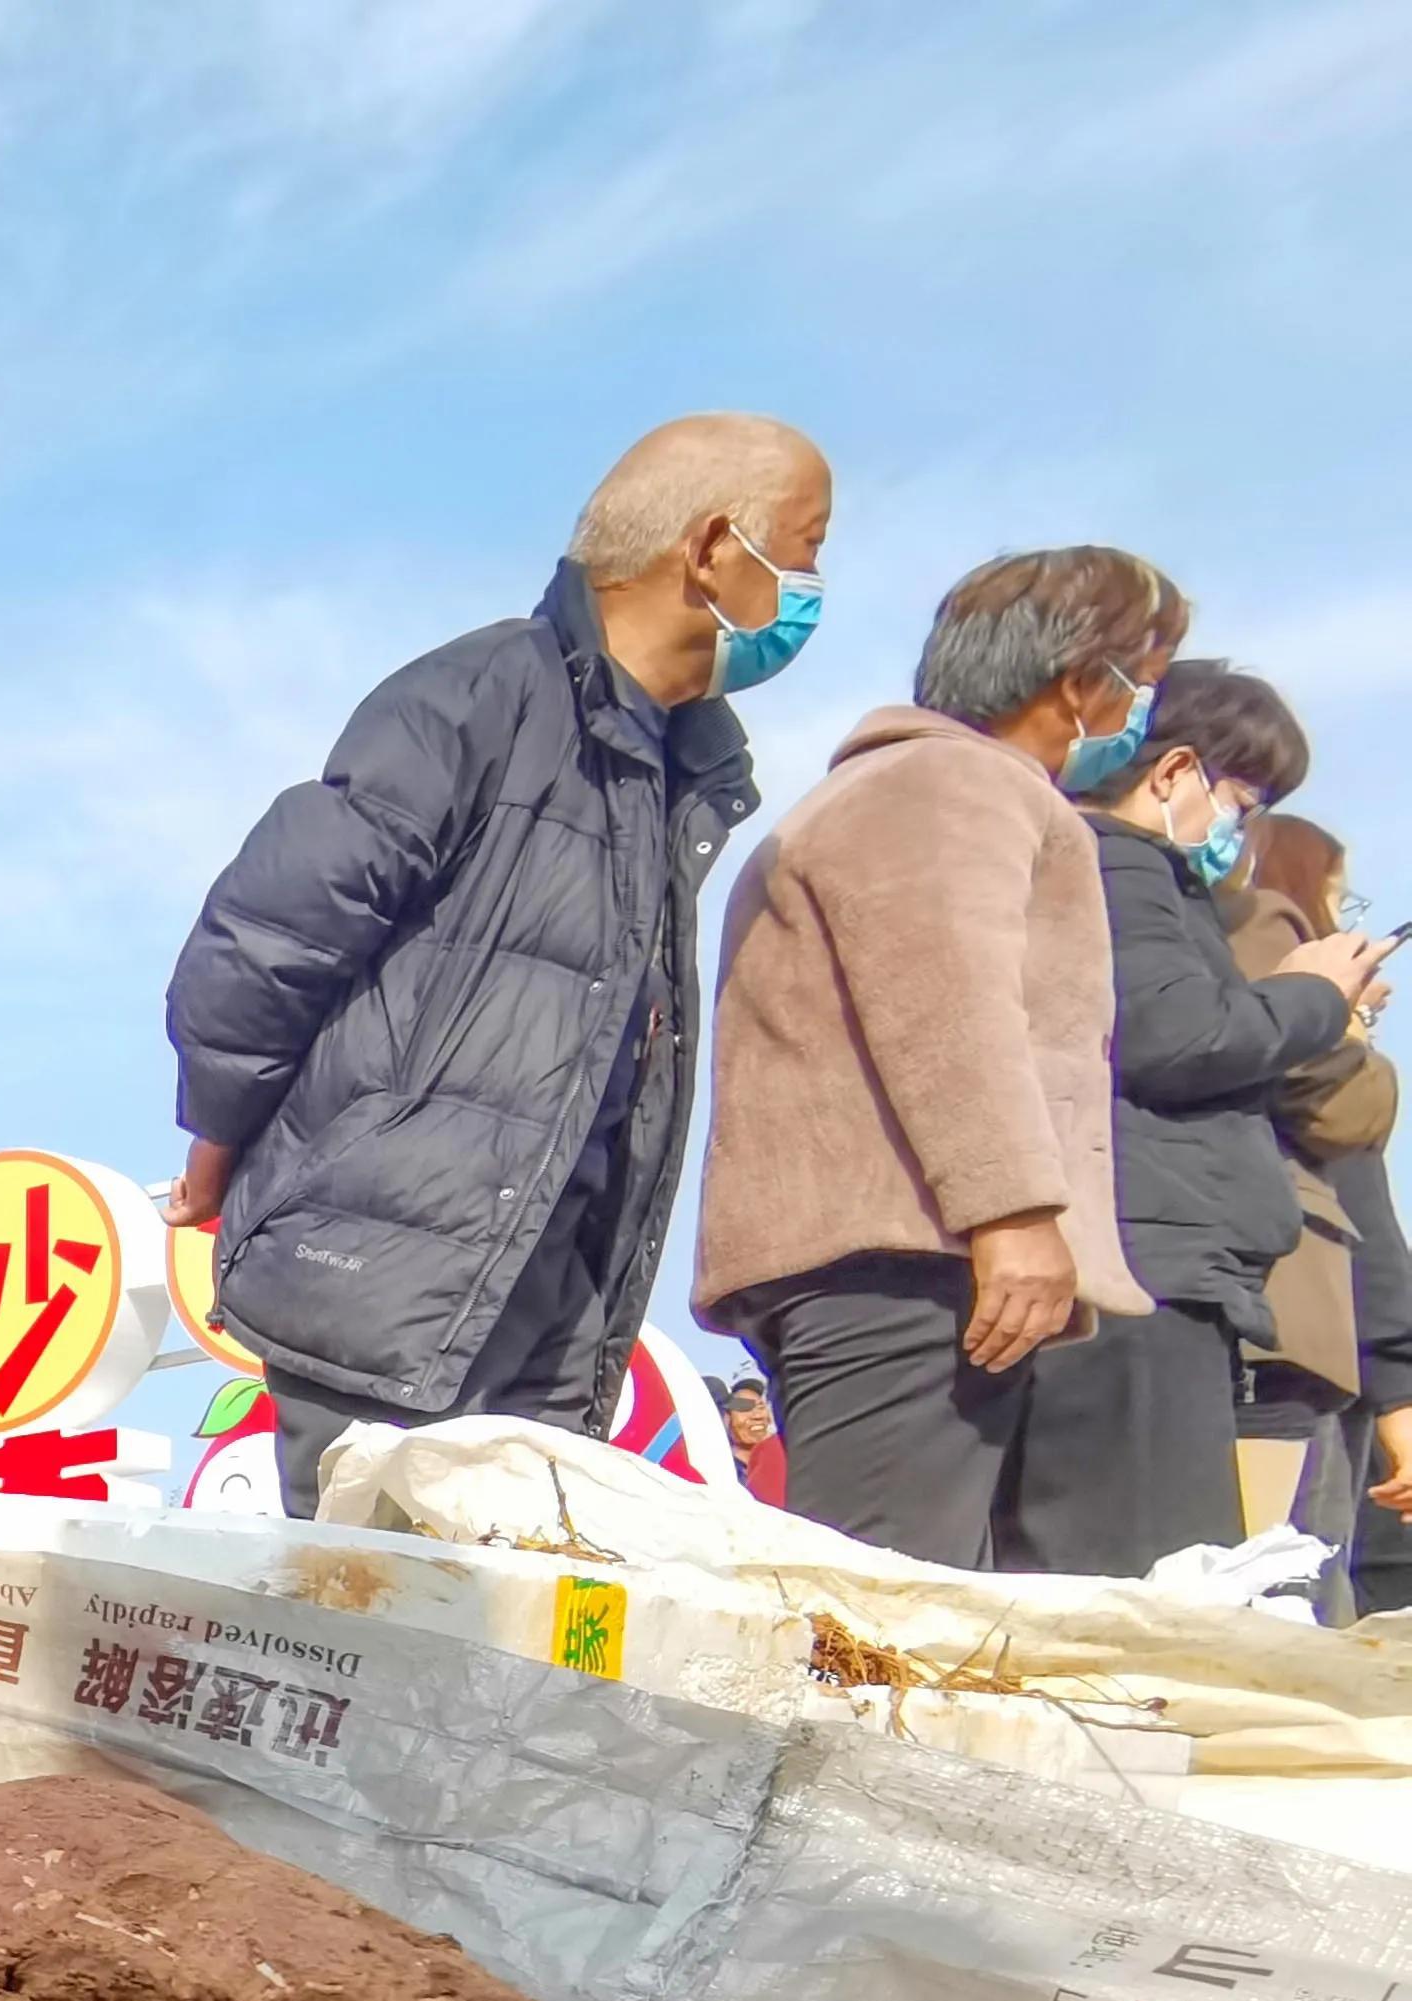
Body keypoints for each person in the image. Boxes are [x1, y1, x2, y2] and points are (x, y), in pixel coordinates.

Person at [163, 415, 827, 1515]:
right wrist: (219, 1135)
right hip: (380, 1281)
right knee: (368, 1635)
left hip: (545, 1302)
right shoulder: (481, 696)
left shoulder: (678, 767)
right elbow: (266, 930)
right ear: (713, 550)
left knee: (509, 1651)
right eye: (804, 552)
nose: (809, 591)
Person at [691, 548, 1178, 1568]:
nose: (1143, 708)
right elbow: (946, 1002)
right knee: (875, 1618)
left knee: (915, 1610)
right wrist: (1011, 1209)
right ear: (1079, 676)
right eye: (1142, 675)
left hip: (910, 1257)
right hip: (910, 1260)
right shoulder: (945, 782)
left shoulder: (911, 785)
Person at [1048, 659, 1391, 1572]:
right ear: (1173, 772)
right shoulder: (1123, 866)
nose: (1239, 828)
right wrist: (1317, 1001)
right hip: (1151, 1271)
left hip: (1173, 1267)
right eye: (1242, 798)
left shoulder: (1130, 873)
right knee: (1162, 1579)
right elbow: (1177, 1037)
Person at [1218, 808, 1405, 1615]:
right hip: (1295, 1358)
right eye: (1340, 901)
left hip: (1267, 1349)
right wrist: (1345, 1026)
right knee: (1290, 1615)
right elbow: (1364, 1211)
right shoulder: (1292, 1023)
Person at [718, 1374, 786, 1509]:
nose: (757, 1416)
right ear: (726, 1418)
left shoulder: (786, 1457)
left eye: (761, 1407)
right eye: (744, 1408)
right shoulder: (723, 1475)